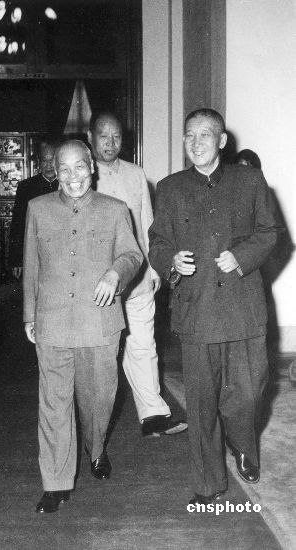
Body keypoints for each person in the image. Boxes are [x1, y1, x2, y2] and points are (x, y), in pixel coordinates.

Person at [148, 108, 277, 505]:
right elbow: (157, 242)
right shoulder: (170, 188)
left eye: (205, 134)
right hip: (197, 309)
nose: (196, 142)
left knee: (248, 394)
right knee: (202, 404)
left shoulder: (250, 181)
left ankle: (243, 444)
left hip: (242, 308)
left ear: (221, 141)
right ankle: (208, 484)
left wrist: (242, 256)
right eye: (190, 135)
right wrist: (171, 261)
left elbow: (269, 232)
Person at [23, 140, 142, 513]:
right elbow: (32, 266)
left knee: (99, 399)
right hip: (53, 321)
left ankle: (97, 447)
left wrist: (115, 273)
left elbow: (132, 255)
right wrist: (29, 314)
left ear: (92, 167)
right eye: (64, 169)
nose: (72, 177)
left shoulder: (115, 209)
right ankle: (56, 483)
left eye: (79, 167)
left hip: (99, 322)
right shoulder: (38, 208)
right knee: (54, 404)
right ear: (54, 172)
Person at [88, 112, 187, 437]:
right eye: (103, 136)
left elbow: (148, 225)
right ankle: (94, 423)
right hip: (99, 281)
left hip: (139, 277)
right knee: (102, 353)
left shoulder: (136, 174)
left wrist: (155, 269)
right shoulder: (83, 174)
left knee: (144, 345)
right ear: (91, 137)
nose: (110, 143)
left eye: (116, 136)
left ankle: (153, 414)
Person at [9, 138, 59, 279]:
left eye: (52, 160)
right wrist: (16, 260)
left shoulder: (68, 184)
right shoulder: (26, 187)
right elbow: (18, 225)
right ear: (38, 161)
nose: (48, 165)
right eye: (44, 160)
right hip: (35, 252)